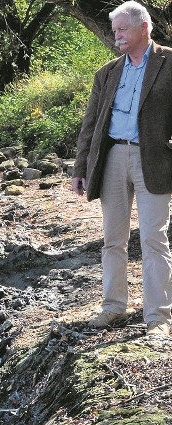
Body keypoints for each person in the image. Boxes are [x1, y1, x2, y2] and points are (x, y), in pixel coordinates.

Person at [72, 0, 172, 337]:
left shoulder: (170, 62)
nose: (117, 36)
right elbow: (91, 123)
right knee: (112, 240)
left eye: (123, 29)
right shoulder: (108, 71)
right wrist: (81, 167)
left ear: (144, 27)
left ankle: (158, 317)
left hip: (154, 160)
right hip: (112, 156)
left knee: (153, 239)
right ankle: (113, 307)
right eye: (115, 31)